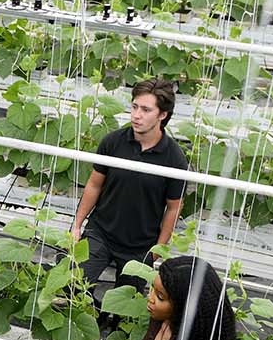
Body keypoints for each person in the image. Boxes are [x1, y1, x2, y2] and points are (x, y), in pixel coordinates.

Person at [69, 79, 189, 286]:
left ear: (162, 115)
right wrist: (77, 225)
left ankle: (110, 319)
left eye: (145, 109)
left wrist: (157, 251)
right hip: (101, 233)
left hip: (141, 246)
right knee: (72, 287)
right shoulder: (113, 142)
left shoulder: (174, 159)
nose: (136, 115)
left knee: (124, 310)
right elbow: (94, 185)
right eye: (134, 106)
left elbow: (173, 208)